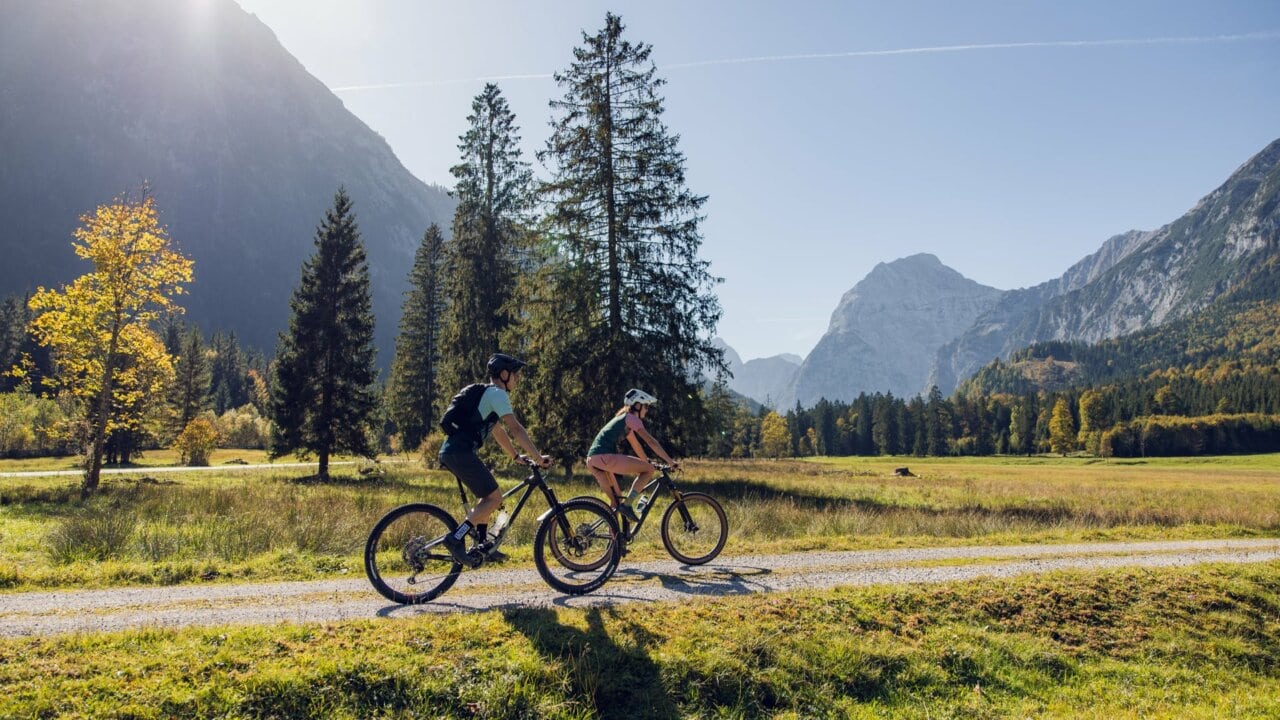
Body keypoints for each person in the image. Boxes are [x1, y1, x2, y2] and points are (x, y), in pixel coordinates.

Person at [439, 353, 551, 565]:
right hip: (459, 452)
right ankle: (455, 538)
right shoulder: (498, 394)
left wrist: (516, 456)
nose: (517, 380)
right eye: (515, 375)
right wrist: (539, 457)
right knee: (495, 499)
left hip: (456, 451)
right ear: (504, 374)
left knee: (488, 497)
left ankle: (482, 546)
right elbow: (516, 429)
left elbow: (498, 431)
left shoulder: (488, 396)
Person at [585, 388, 680, 522]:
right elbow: (651, 441)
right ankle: (628, 504)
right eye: (646, 406)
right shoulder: (631, 418)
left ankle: (615, 540)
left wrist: (646, 461)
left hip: (594, 460)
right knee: (649, 471)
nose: (647, 410)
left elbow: (636, 445)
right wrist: (670, 461)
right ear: (637, 405)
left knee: (616, 504)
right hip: (604, 458)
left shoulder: (623, 420)